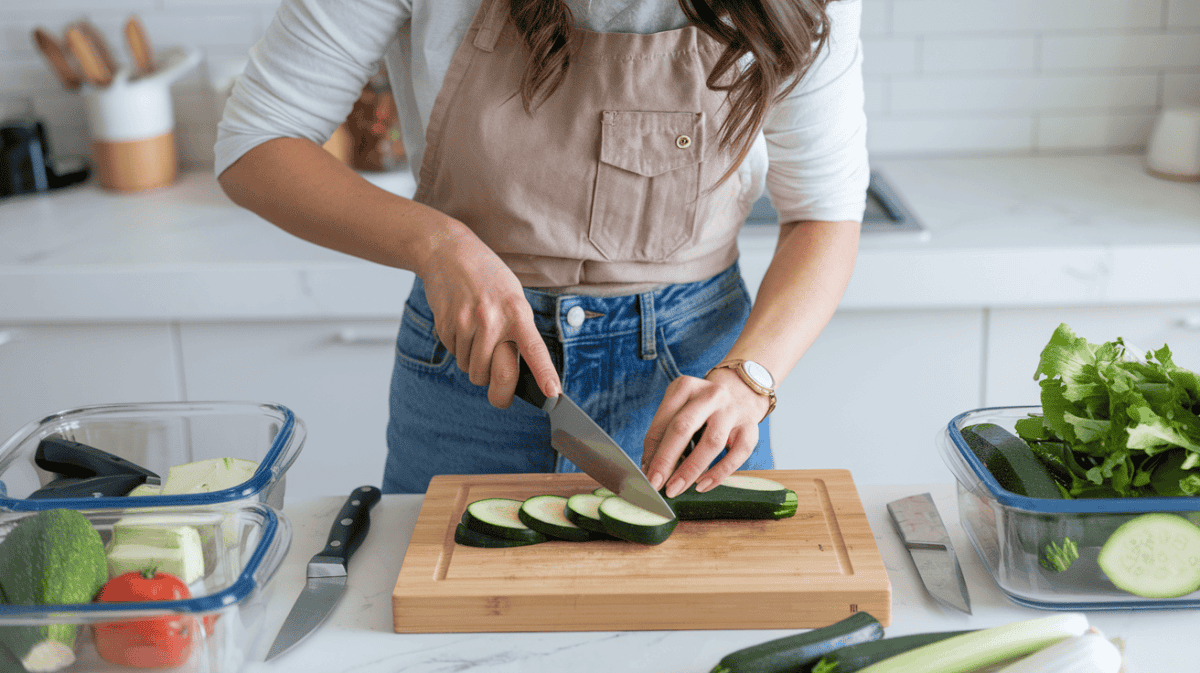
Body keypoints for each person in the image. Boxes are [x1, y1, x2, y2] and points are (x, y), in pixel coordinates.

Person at [215, 0, 867, 498]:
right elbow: (256, 142)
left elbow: (823, 216)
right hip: (469, 370)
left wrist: (750, 376)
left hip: (696, 387)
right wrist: (437, 243)